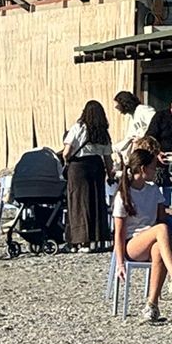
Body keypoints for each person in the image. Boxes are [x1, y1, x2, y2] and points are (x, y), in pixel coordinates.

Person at [113, 149, 172, 322]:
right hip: (133, 244)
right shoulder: (124, 194)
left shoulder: (153, 190)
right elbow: (119, 233)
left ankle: (152, 305)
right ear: (143, 169)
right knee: (161, 229)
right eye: (153, 167)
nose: (156, 171)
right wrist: (120, 263)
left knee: (158, 247)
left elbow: (162, 218)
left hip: (153, 239)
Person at [63, 100, 114, 252]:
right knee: (96, 202)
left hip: (78, 168)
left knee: (79, 203)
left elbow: (66, 152)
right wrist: (110, 176)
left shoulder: (78, 128)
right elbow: (108, 159)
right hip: (96, 167)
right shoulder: (103, 133)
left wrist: (67, 161)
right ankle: (96, 239)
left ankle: (79, 241)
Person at [115, 91, 158, 162]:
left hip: (149, 150)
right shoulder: (132, 116)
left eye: (118, 105)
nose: (116, 108)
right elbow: (129, 136)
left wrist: (143, 137)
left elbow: (156, 123)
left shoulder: (142, 110)